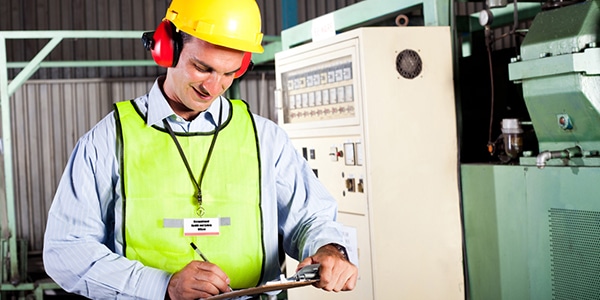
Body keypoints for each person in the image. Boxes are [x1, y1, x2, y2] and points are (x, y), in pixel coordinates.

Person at [42, 0, 358, 299]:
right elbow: (66, 251)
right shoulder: (107, 141)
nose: (213, 87)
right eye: (202, 68)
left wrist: (330, 249)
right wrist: (162, 286)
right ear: (167, 47)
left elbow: (310, 218)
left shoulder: (266, 138)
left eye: (229, 72)